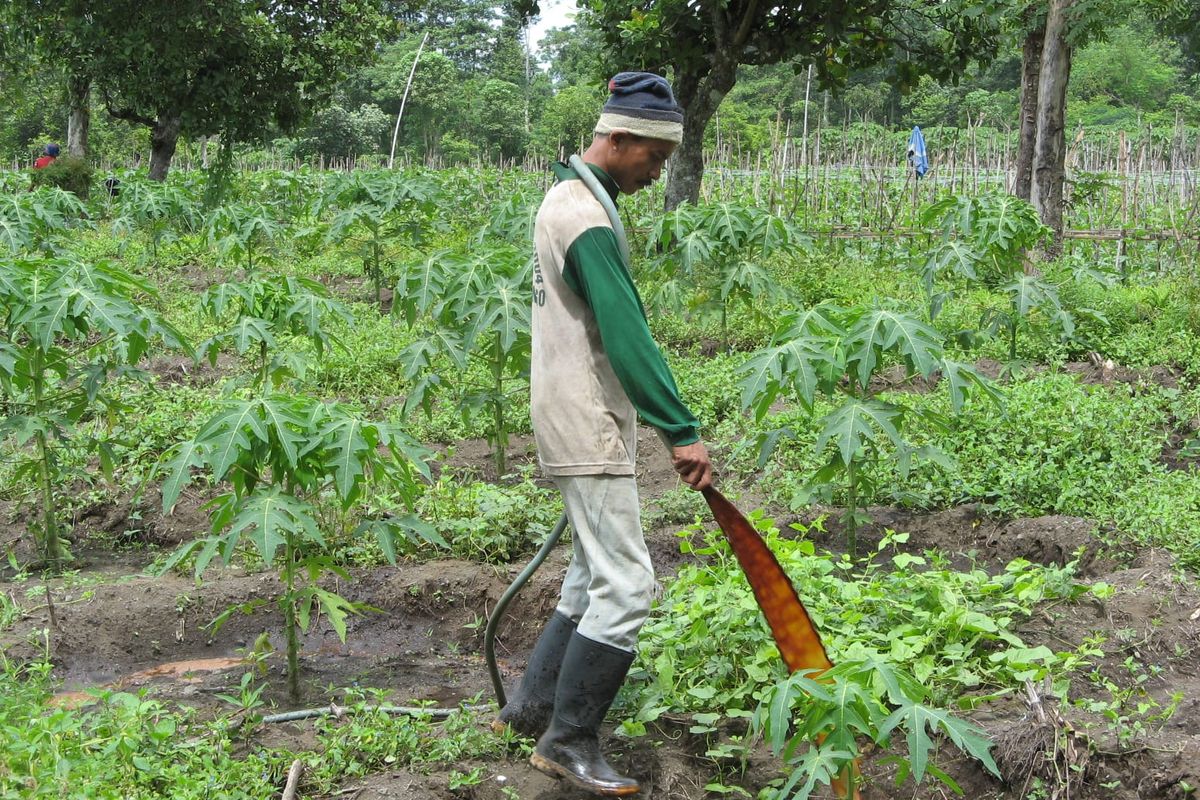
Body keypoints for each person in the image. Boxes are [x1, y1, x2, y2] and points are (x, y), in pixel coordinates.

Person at [495, 72, 713, 796]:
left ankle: (530, 708)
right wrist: (679, 429)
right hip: (584, 417)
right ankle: (569, 741)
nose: (657, 172)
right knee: (629, 583)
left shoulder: (572, 198)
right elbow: (627, 334)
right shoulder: (585, 215)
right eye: (652, 156)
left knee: (591, 574)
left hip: (570, 410)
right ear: (616, 140)